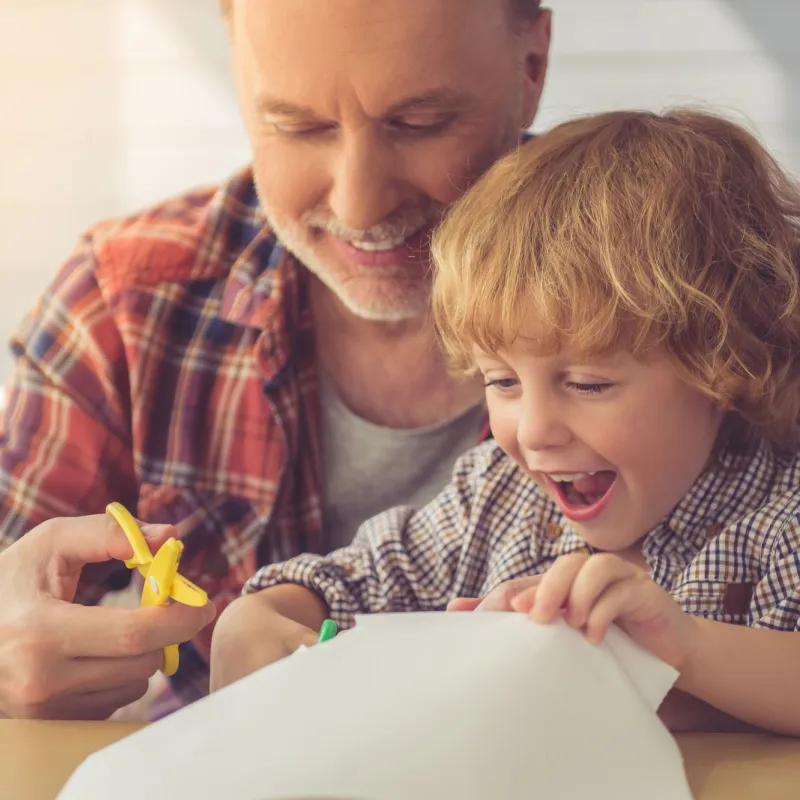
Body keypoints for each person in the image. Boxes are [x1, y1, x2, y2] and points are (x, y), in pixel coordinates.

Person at [0, 0, 551, 719]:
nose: (357, 207)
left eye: (419, 124)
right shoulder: (127, 303)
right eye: (297, 126)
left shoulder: (679, 295)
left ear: (531, 65)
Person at [209, 109, 800, 736]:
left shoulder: (780, 520)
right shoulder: (495, 497)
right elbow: (352, 580)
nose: (534, 430)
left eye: (588, 384)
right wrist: (260, 617)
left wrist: (685, 647)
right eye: (503, 382)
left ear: (727, 366)